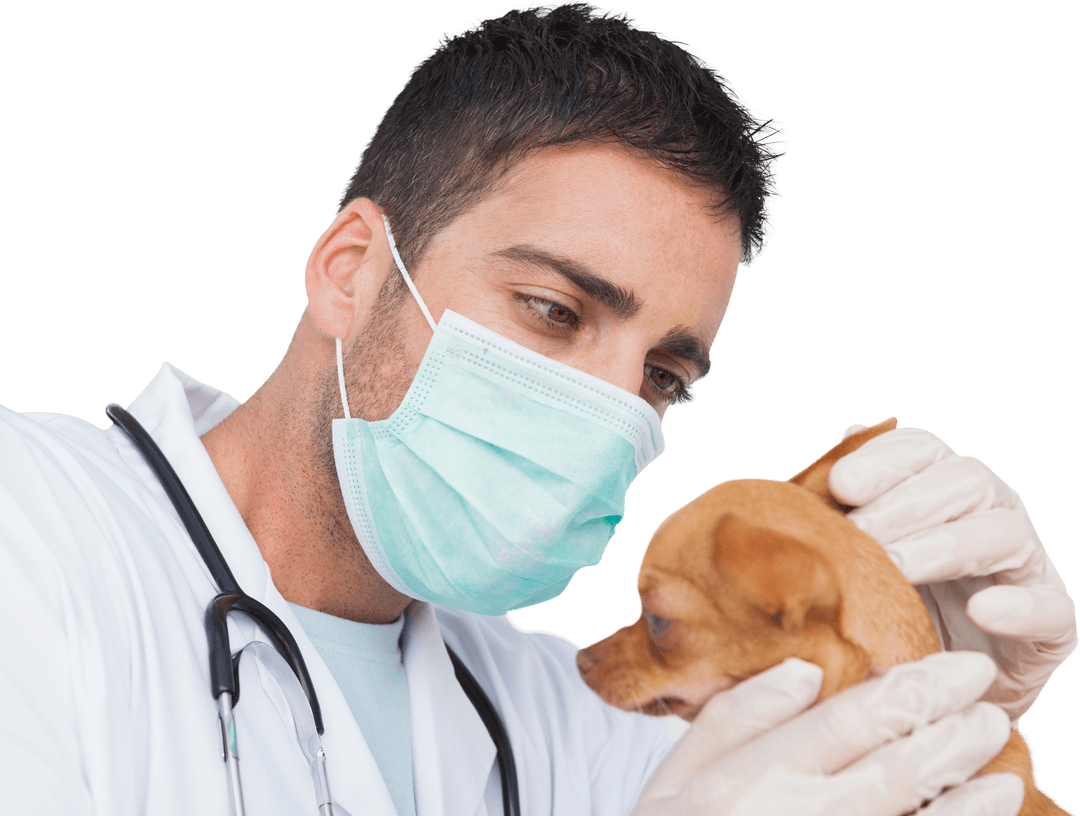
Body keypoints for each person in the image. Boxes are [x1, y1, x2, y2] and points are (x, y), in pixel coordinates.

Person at [0, 3, 1074, 814]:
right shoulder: (35, 533)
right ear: (351, 271)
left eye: (664, 376)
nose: (612, 410)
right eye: (554, 310)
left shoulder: (579, 713)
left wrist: (928, 691)